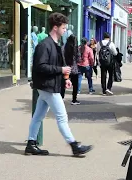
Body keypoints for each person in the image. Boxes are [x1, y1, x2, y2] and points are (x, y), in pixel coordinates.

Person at [25, 12, 93, 156]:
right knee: (62, 116)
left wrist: (65, 78)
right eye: (63, 27)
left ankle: (31, 144)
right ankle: (74, 145)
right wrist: (61, 70)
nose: (65, 30)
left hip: (47, 86)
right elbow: (40, 66)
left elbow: (51, 65)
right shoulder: (45, 45)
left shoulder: (54, 44)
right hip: (48, 86)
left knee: (38, 116)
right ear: (55, 28)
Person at [63, 34, 81, 105]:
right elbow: (79, 59)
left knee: (63, 84)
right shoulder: (76, 49)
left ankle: (61, 98)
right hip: (74, 69)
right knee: (75, 85)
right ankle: (74, 100)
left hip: (65, 69)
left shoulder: (63, 47)